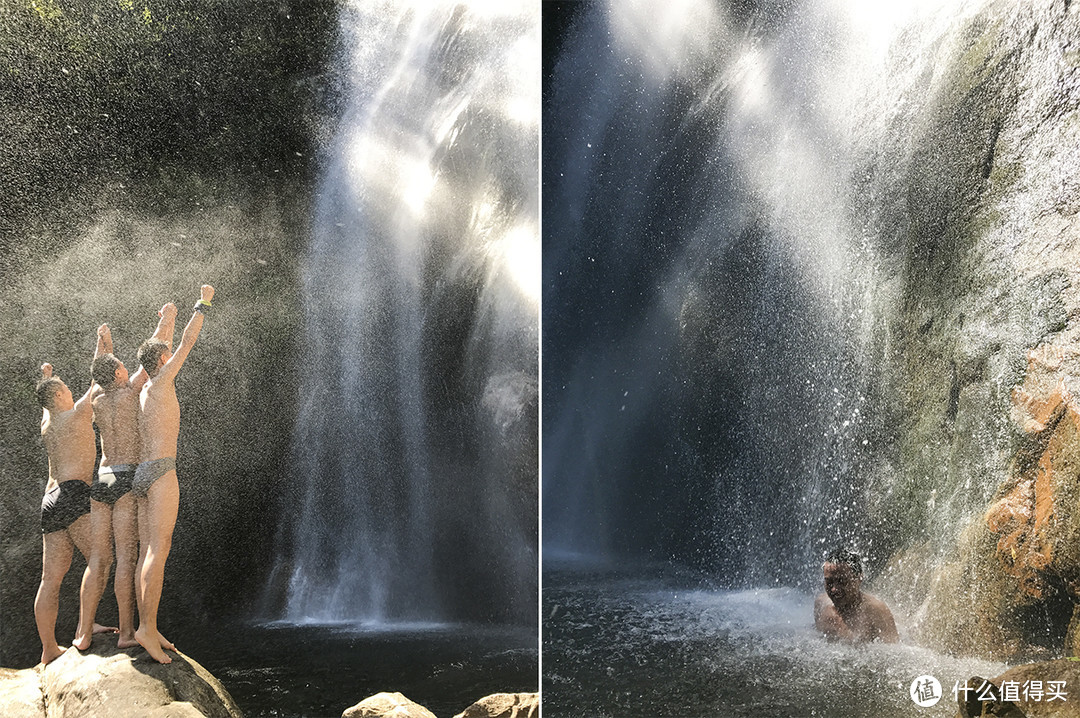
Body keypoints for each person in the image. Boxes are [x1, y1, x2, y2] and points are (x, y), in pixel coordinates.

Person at [87, 305, 177, 651]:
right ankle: (127, 633)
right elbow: (155, 356)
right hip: (127, 476)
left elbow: (100, 370)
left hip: (103, 476)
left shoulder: (96, 397)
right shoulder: (131, 392)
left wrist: (103, 343)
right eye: (122, 366)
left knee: (100, 557)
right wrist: (167, 319)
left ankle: (83, 629)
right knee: (127, 557)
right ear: (122, 374)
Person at [133, 285, 214, 664]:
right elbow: (187, 343)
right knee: (157, 552)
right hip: (163, 472)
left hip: (141, 475)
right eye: (166, 354)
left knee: (145, 554)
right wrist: (204, 301)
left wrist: (163, 320)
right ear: (162, 358)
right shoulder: (164, 380)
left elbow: (161, 346)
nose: (171, 355)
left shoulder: (145, 387)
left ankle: (146, 626)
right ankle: (146, 628)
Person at [34, 361, 114, 664]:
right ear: (57, 397)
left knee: (50, 578)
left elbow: (45, 405)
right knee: (101, 557)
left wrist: (46, 376)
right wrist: (103, 343)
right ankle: (84, 629)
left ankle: (49, 649)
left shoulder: (48, 424)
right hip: (73, 493)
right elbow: (97, 380)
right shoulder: (77, 415)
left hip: (50, 499)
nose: (70, 392)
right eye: (65, 389)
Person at [814, 548, 899, 644]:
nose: (834, 589)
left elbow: (894, 652)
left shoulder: (876, 611)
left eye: (842, 581)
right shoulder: (820, 604)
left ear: (859, 578)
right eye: (829, 582)